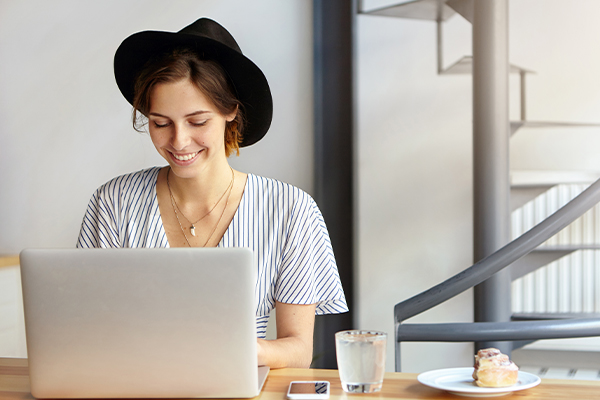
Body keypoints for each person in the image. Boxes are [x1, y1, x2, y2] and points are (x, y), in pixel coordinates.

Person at [76, 18, 348, 369]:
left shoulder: (290, 210)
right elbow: (85, 327)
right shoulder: (113, 203)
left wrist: (246, 350)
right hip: (135, 384)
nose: (179, 141)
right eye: (161, 123)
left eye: (197, 121)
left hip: (238, 382)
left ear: (230, 110)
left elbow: (297, 350)